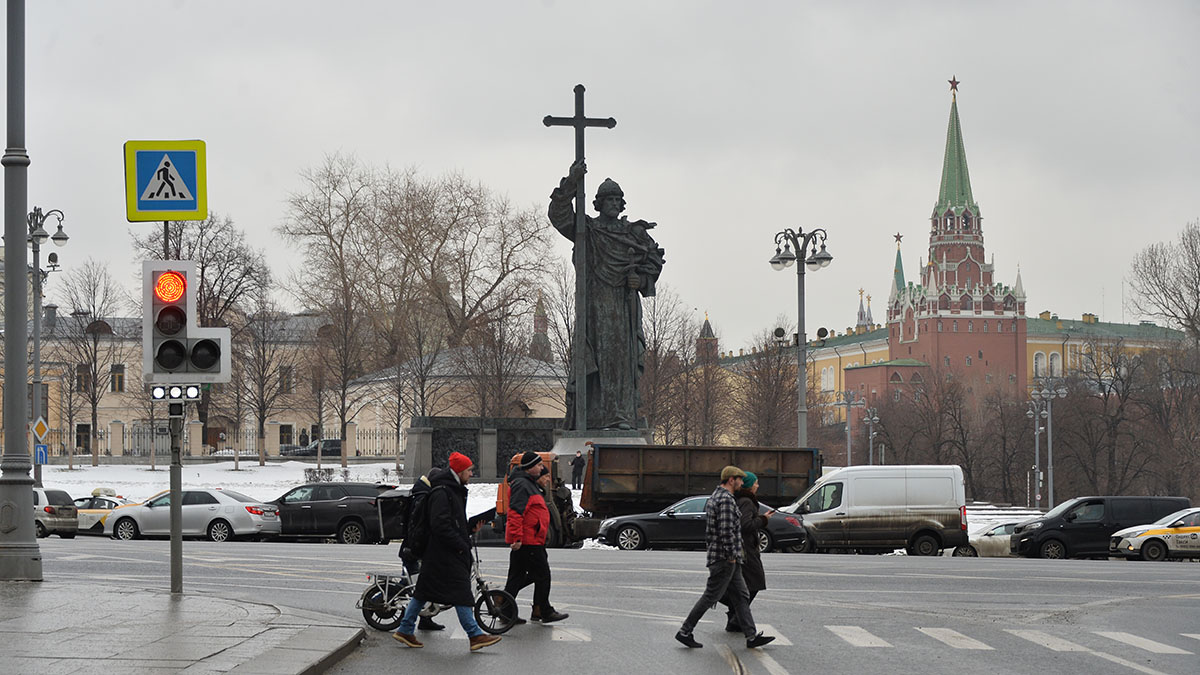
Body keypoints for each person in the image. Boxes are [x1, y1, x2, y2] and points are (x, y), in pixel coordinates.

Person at [549, 159, 666, 431]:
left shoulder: (633, 234)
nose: (614, 203)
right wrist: (571, 182)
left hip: (623, 306)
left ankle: (620, 416)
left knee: (620, 363)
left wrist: (641, 280)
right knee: (593, 361)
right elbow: (559, 215)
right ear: (598, 203)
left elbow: (653, 262)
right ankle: (590, 417)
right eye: (608, 199)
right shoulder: (587, 230)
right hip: (592, 305)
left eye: (618, 199)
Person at [393, 452, 501, 652]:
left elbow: (452, 523)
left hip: (441, 552)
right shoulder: (443, 492)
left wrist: (468, 530)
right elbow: (440, 525)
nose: (471, 473)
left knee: (423, 592)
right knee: (461, 593)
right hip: (445, 553)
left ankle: (405, 629)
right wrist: (460, 543)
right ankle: (475, 635)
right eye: (469, 470)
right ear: (459, 471)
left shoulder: (453, 489)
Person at [675, 466, 775, 650]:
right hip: (725, 558)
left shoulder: (716, 496)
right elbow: (726, 531)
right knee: (710, 596)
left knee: (742, 596)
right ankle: (685, 631)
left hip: (729, 558)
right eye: (739, 480)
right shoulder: (726, 500)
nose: (741, 483)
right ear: (731, 480)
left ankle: (751, 636)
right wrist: (731, 556)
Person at [504, 451, 568, 624]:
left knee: (517, 576)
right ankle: (544, 610)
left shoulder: (528, 484)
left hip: (531, 539)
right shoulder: (522, 485)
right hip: (528, 540)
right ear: (530, 467)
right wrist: (517, 538)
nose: (541, 469)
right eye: (539, 465)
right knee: (542, 575)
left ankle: (505, 609)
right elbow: (516, 513)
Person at [723, 471, 774, 633]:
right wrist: (763, 519)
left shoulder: (742, 500)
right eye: (756, 482)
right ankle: (736, 618)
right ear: (749, 485)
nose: (758, 486)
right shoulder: (746, 501)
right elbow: (745, 525)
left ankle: (734, 619)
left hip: (743, 547)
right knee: (755, 582)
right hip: (746, 549)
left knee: (742, 585)